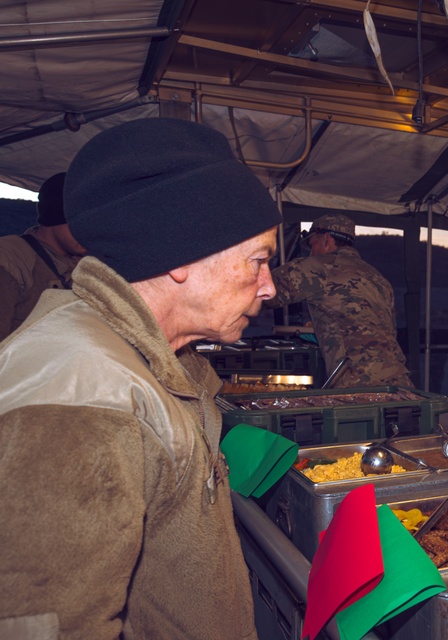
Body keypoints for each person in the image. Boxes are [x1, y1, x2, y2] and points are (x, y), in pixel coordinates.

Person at [0, 117, 282, 639]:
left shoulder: (140, 363)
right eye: (258, 261)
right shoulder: (85, 399)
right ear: (181, 256)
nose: (268, 287)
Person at [266, 213, 413, 388]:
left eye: (311, 245)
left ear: (326, 239)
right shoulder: (378, 278)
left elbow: (262, 291)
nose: (310, 252)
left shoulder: (317, 266)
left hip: (358, 383)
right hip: (399, 380)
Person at [0, 172, 87, 342]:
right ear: (57, 216)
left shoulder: (83, 262)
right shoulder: (12, 258)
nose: (89, 233)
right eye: (79, 223)